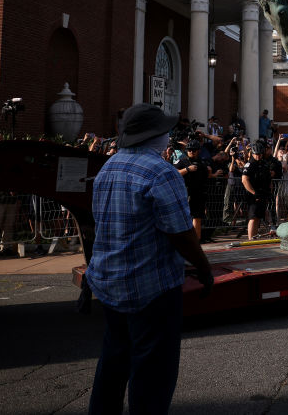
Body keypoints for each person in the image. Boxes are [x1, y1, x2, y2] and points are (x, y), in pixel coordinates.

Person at [85, 103, 214, 415]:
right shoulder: (161, 172)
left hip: (109, 282)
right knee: (153, 373)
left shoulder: (108, 167)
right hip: (151, 288)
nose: (168, 137)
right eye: (165, 131)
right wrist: (204, 268)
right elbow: (181, 233)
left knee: (113, 362)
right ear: (154, 135)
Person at [175, 140, 211, 240]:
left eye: (194, 150)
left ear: (198, 151)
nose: (191, 152)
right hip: (184, 193)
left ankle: (196, 241)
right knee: (183, 218)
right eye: (189, 150)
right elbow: (174, 173)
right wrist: (187, 169)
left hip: (198, 194)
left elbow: (206, 177)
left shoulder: (202, 162)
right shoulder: (182, 161)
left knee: (197, 217)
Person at [241, 140, 274, 240]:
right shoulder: (250, 165)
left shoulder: (264, 164)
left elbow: (269, 179)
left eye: (260, 154)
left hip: (263, 193)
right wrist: (254, 193)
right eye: (256, 154)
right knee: (253, 217)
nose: (258, 156)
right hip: (253, 195)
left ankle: (254, 238)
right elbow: (244, 180)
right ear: (253, 153)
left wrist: (270, 192)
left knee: (258, 217)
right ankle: (251, 238)